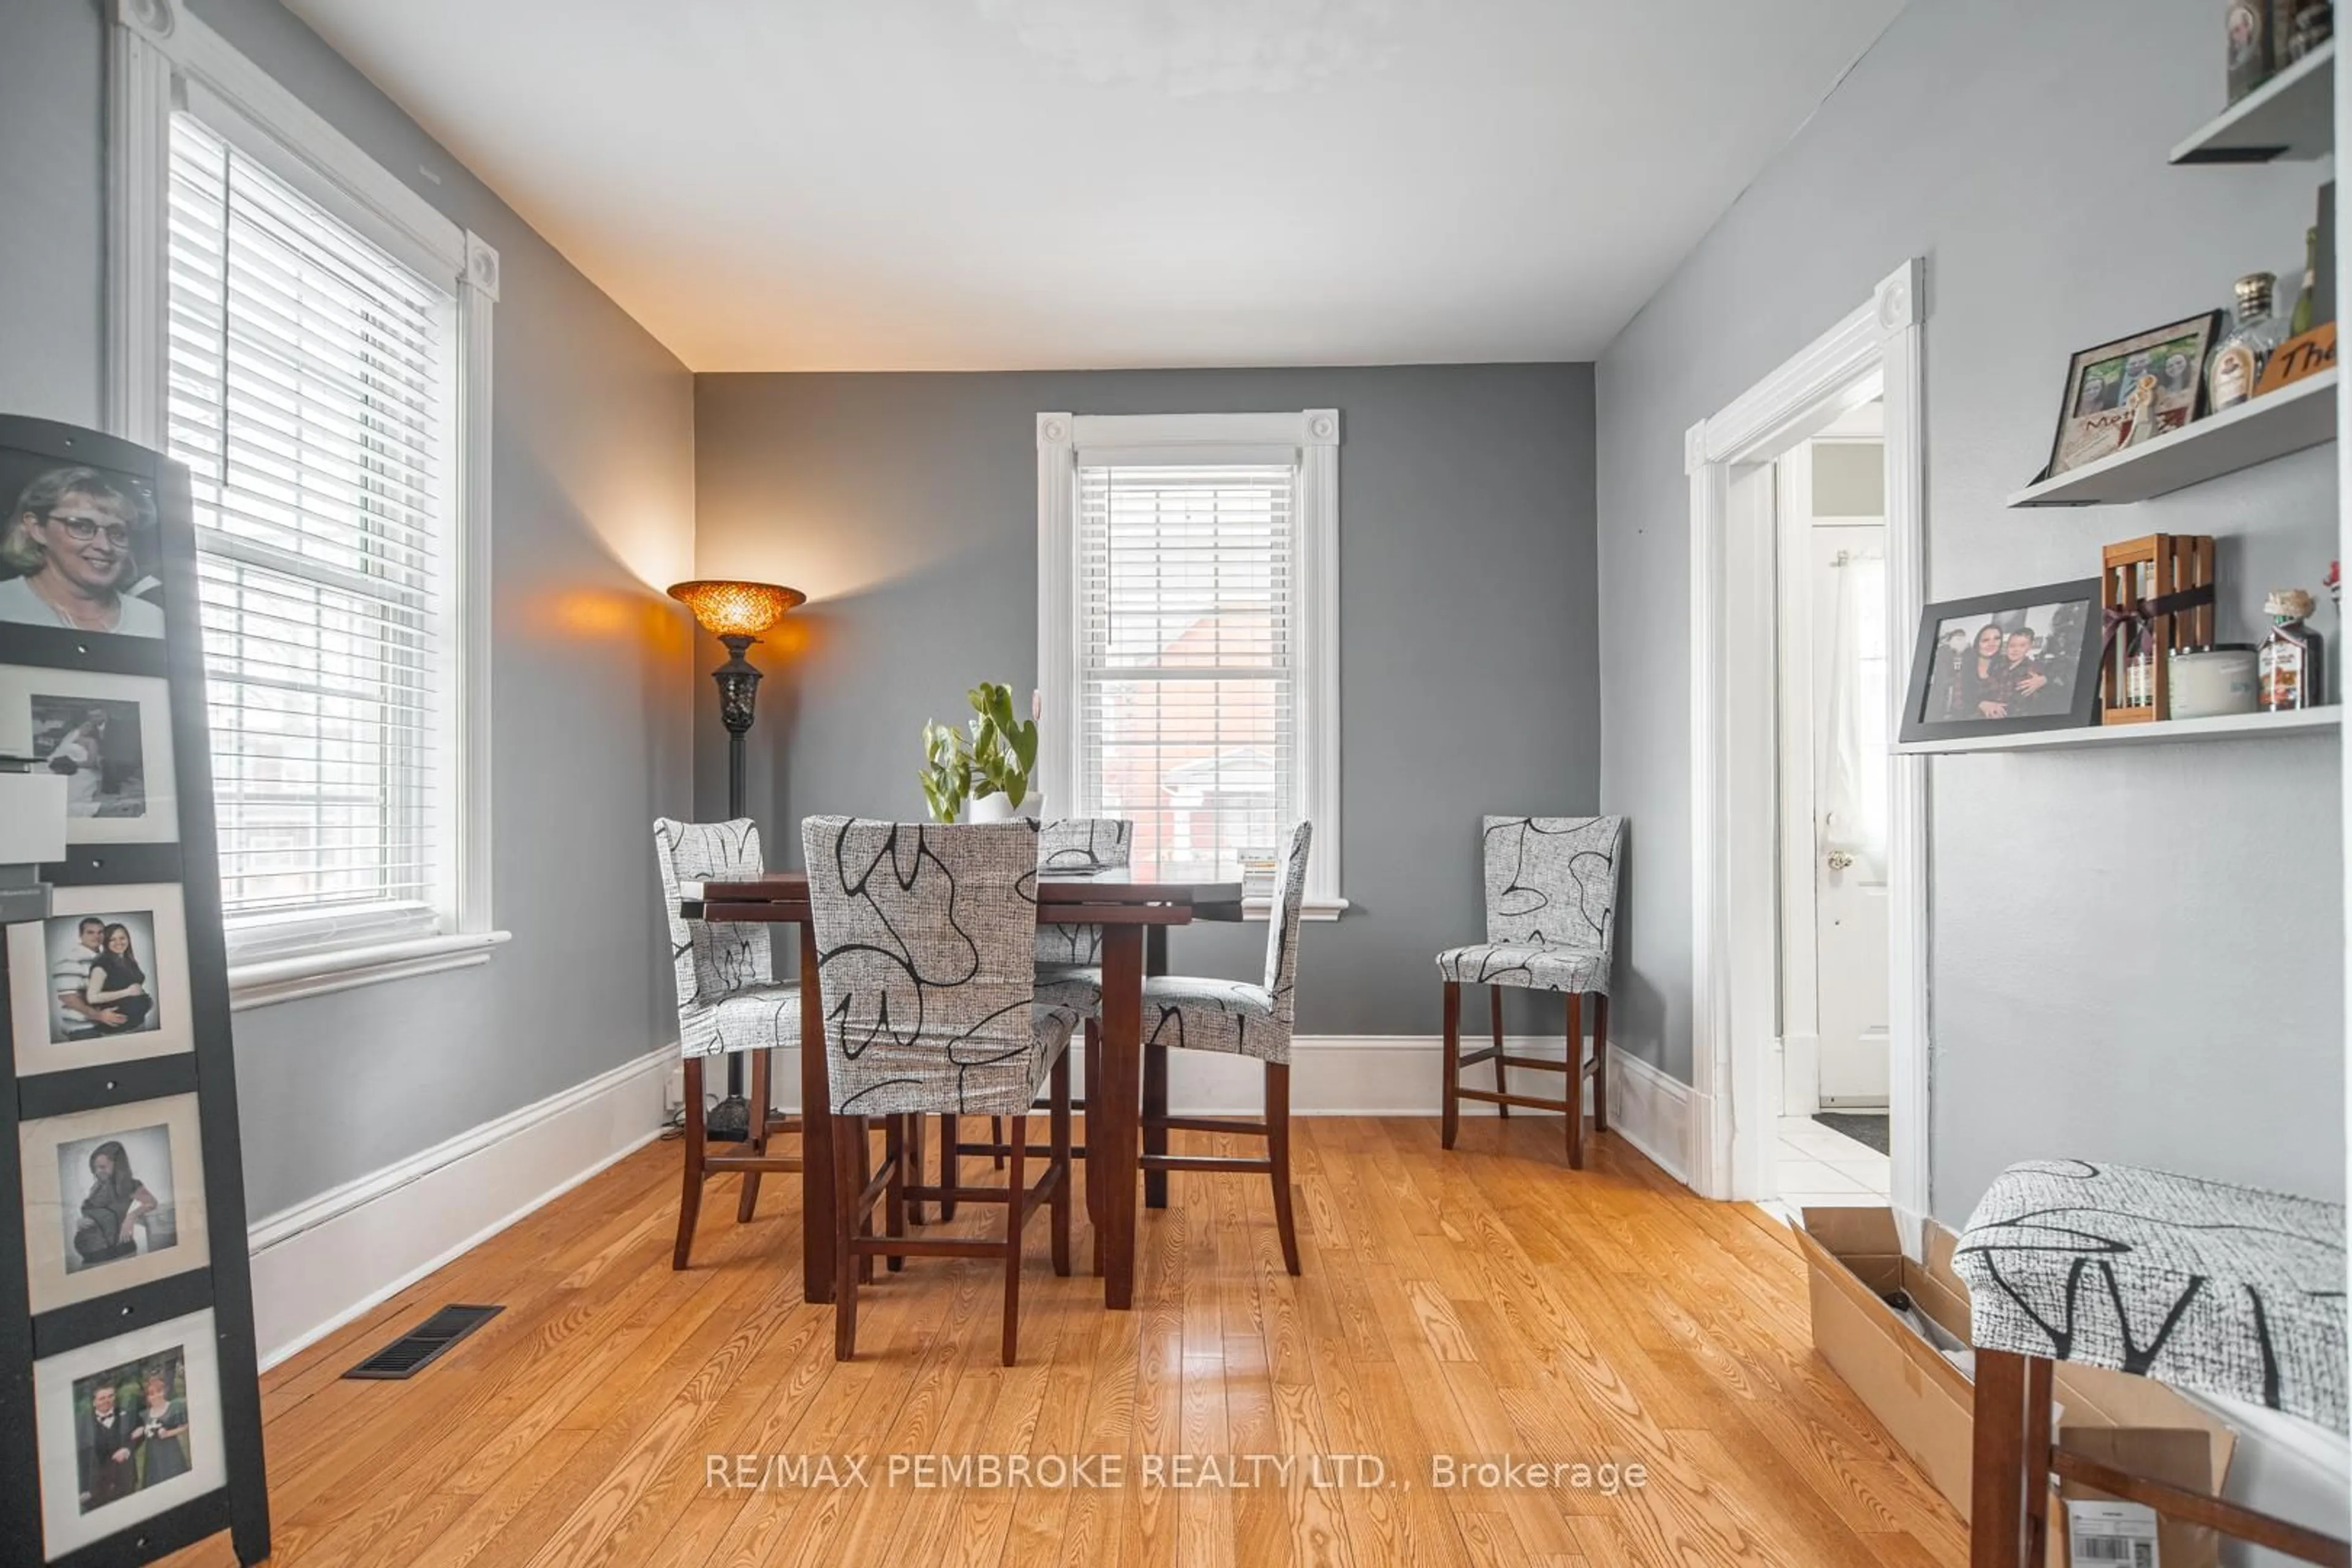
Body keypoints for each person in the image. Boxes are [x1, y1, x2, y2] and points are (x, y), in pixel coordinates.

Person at [0, 467, 164, 638]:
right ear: (37, 529)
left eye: (117, 533)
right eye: (82, 527)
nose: (105, 546)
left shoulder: (154, 620)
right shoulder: (5, 605)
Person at [72, 1140, 156, 1268]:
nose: (97, 1172)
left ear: (117, 1165)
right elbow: (100, 1216)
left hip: (117, 1255)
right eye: (95, 1168)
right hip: (92, 1258)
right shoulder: (97, 1187)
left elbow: (152, 1203)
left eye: (102, 1167)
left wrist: (131, 1217)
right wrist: (82, 1222)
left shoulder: (130, 1185)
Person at [51, 917, 126, 1038]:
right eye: (90, 932)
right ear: (81, 935)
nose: (96, 936)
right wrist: (99, 1016)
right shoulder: (70, 960)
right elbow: (68, 998)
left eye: (100, 932)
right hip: (84, 1029)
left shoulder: (105, 959)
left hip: (108, 1027)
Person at [78, 1381, 137, 1512]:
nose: (107, 1401)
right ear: (94, 1402)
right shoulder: (83, 1424)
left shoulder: (126, 1414)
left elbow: (137, 1434)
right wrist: (83, 1488)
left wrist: (127, 1449)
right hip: (97, 1485)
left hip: (124, 1480)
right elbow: (81, 1457)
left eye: (111, 1396)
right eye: (102, 1398)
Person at [82, 923, 153, 1032]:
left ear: (128, 939)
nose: (119, 943)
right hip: (118, 1030)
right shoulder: (102, 964)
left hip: (137, 1024)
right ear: (106, 942)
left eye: (122, 938)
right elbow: (92, 997)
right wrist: (127, 992)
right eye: (112, 940)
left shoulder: (127, 959)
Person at [43, 708, 110, 817]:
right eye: (85, 725)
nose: (87, 728)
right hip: (65, 771)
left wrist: (73, 764)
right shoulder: (70, 739)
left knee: (76, 798)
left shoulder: (91, 742)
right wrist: (62, 764)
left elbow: (91, 762)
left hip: (82, 772)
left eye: (90, 726)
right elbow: (58, 754)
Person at [132, 1370, 190, 1487]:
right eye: (152, 1394)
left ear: (164, 1391)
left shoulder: (174, 1407)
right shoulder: (146, 1414)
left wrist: (169, 1433)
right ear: (148, 1397)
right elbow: (148, 1429)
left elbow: (185, 1427)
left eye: (159, 1391)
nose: (156, 1396)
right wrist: (141, 1430)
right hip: (153, 1454)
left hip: (170, 1451)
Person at [1997, 627, 2054, 714]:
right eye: (2012, 646)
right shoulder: (1999, 666)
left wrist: (2046, 680)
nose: (2016, 650)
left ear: (2030, 647)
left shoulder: (2034, 669)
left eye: (2022, 646)